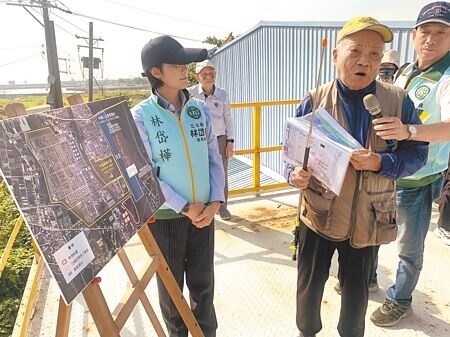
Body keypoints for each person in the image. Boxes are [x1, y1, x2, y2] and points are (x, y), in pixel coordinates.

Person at [284, 16, 428, 337]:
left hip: (367, 221)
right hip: (318, 216)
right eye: (355, 51)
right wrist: (294, 175)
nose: (365, 61)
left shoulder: (398, 102)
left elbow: (418, 154)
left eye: (375, 54)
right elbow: (290, 155)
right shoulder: (314, 99)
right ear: (336, 55)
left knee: (354, 310)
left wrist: (380, 162)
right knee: (307, 300)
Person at [132, 35, 225, 337]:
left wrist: (215, 203)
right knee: (173, 292)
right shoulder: (141, 116)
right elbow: (145, 173)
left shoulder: (199, 108)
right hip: (168, 217)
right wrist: (185, 206)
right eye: (177, 64)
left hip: (204, 214)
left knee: (204, 285)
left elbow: (214, 157)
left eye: (187, 63)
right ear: (155, 72)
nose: (186, 68)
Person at [369, 1, 450, 327]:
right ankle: (368, 277)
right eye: (425, 31)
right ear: (414, 35)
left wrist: (409, 131)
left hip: (417, 178)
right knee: (374, 228)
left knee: (408, 245)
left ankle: (400, 300)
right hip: (390, 170)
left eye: (441, 33)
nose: (431, 39)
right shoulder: (405, 72)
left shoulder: (445, 77)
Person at [189, 60, 235, 220]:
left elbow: (228, 118)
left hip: (220, 139)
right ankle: (203, 208)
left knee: (221, 174)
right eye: (204, 74)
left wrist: (230, 142)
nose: (208, 77)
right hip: (198, 140)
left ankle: (222, 207)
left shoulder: (223, 94)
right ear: (197, 77)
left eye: (211, 74)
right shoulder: (190, 94)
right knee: (199, 174)